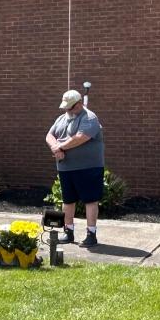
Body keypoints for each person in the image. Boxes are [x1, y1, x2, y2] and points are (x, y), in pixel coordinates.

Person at [45, 89, 104, 247]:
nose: (67, 110)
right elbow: (49, 135)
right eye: (65, 107)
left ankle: (91, 234)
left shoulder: (90, 118)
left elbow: (80, 138)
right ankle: (68, 232)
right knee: (68, 200)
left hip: (88, 167)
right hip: (66, 168)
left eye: (70, 107)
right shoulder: (61, 118)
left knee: (90, 200)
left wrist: (60, 148)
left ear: (79, 104)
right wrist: (55, 147)